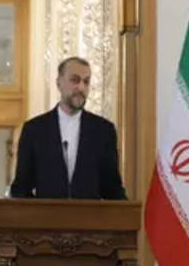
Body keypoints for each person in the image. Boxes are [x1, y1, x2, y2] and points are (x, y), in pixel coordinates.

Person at [9, 57, 126, 200]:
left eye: (86, 81)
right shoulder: (34, 130)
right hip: (46, 219)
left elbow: (112, 188)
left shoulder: (103, 131)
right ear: (59, 83)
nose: (81, 87)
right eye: (75, 80)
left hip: (91, 220)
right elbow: (21, 188)